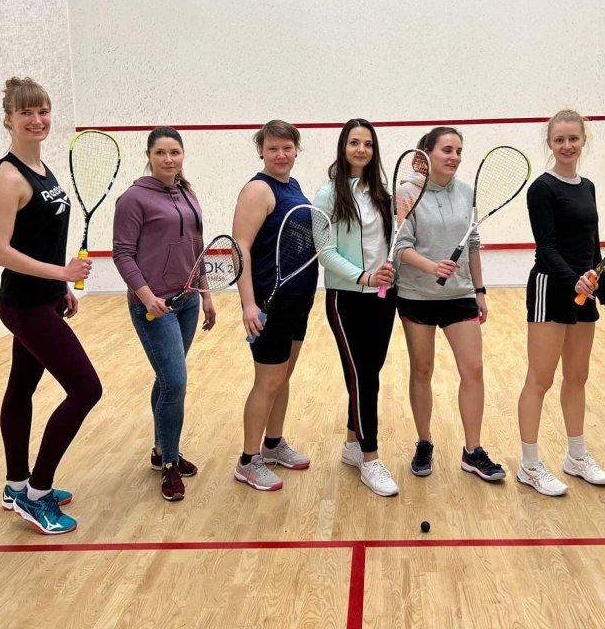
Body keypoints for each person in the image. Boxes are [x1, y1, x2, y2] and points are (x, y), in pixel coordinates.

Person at [0, 77, 102, 535]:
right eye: (26, 113)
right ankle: (37, 494)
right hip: (23, 304)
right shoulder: (9, 176)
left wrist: (59, 286)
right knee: (86, 389)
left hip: (43, 300)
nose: (37, 120)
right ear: (8, 119)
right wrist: (61, 274)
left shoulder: (41, 168)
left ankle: (15, 485)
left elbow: (38, 238)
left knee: (21, 388)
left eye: (43, 111)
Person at [516, 109, 605, 497]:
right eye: (559, 139)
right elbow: (546, 248)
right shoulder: (542, 189)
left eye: (573, 139)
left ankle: (576, 457)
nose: (567, 145)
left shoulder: (588, 187)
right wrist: (573, 280)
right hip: (550, 288)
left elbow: (593, 249)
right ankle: (529, 464)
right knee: (540, 379)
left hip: (584, 291)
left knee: (577, 377)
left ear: (583, 140)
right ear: (550, 143)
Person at [394, 126, 506, 483]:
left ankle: (473, 451)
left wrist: (479, 290)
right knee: (422, 370)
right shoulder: (406, 193)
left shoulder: (466, 192)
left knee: (473, 369)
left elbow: (472, 242)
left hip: (459, 295)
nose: (454, 157)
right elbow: (401, 247)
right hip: (416, 295)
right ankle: (424, 442)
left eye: (459, 151)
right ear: (426, 154)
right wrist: (431, 267)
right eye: (447, 150)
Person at [113, 126, 216, 502]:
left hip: (187, 301)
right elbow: (122, 254)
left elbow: (196, 247)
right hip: (154, 307)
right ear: (149, 156)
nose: (168, 159)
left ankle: (160, 449)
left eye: (175, 152)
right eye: (160, 153)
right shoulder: (133, 199)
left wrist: (206, 295)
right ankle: (170, 462)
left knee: (167, 378)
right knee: (175, 380)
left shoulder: (187, 193)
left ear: (183, 155)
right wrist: (146, 297)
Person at [314, 119, 399, 497]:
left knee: (368, 372)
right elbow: (325, 252)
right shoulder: (327, 195)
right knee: (364, 376)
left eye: (367, 144)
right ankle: (370, 457)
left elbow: (388, 243)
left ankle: (352, 443)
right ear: (343, 147)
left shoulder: (381, 195)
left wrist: (386, 275)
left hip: (384, 296)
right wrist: (364, 277)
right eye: (354, 143)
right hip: (346, 298)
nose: (361, 149)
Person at [232, 120, 317, 491]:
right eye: (272, 149)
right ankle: (248, 461)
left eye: (287, 148)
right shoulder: (258, 189)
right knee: (267, 381)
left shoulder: (292, 186)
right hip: (270, 304)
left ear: (296, 149)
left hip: (298, 302)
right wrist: (249, 304)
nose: (281, 155)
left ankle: (273, 444)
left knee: (282, 378)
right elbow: (240, 248)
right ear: (261, 152)